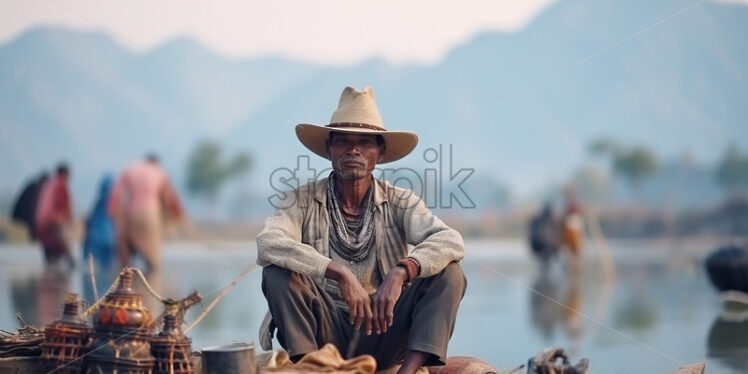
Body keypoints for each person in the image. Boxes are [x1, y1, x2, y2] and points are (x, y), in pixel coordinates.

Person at [257, 86, 467, 373]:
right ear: (329, 150)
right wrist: (338, 272)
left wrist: (402, 270)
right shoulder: (300, 200)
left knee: (449, 271)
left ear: (380, 153)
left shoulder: (400, 201)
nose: (353, 150)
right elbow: (269, 243)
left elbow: (450, 240)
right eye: (342, 141)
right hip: (324, 337)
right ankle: (311, 368)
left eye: (365, 142)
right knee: (276, 271)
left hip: (386, 329)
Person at [109, 154, 184, 270]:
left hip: (130, 215)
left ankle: (125, 283)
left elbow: (116, 194)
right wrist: (176, 216)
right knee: (153, 261)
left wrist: (114, 213)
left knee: (125, 263)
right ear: (155, 162)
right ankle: (151, 283)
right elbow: (169, 198)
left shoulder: (130, 169)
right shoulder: (158, 172)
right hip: (150, 216)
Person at [35, 163, 74, 266]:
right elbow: (64, 207)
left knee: (51, 258)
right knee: (64, 251)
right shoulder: (60, 184)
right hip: (52, 224)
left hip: (41, 225)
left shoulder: (49, 184)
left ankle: (50, 278)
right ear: (65, 174)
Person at [83, 175, 116, 267]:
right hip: (110, 239)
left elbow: (88, 220)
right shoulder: (114, 202)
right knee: (108, 266)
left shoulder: (98, 202)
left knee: (97, 265)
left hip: (97, 239)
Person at [10, 172, 48, 241]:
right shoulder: (35, 189)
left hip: (21, 216)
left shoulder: (34, 187)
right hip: (23, 218)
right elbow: (30, 209)